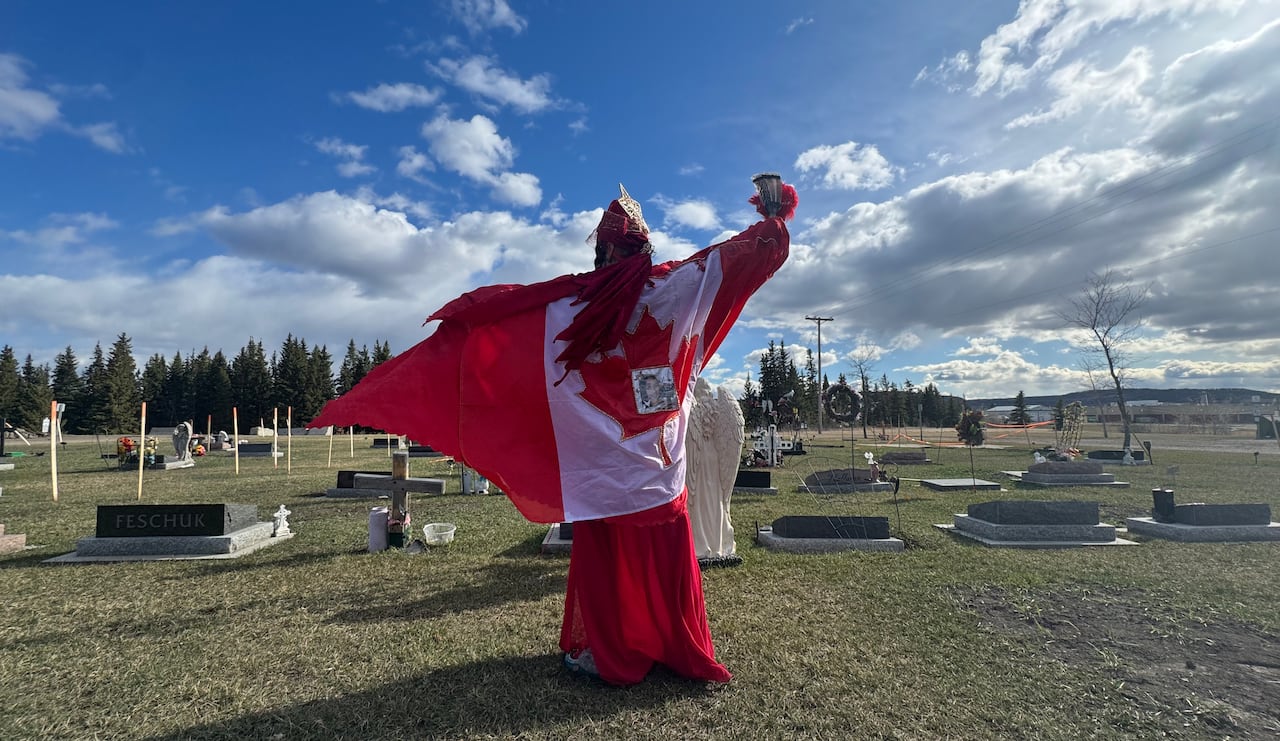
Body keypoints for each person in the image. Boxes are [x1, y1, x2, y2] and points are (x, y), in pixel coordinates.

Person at [310, 175, 797, 685]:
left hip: (604, 473)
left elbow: (507, 332)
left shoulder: (574, 306)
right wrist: (773, 215)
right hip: (656, 466)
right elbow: (746, 256)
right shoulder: (679, 288)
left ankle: (617, 654)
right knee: (664, 565)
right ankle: (670, 646)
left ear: (605, 252)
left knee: (608, 569)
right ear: (645, 248)